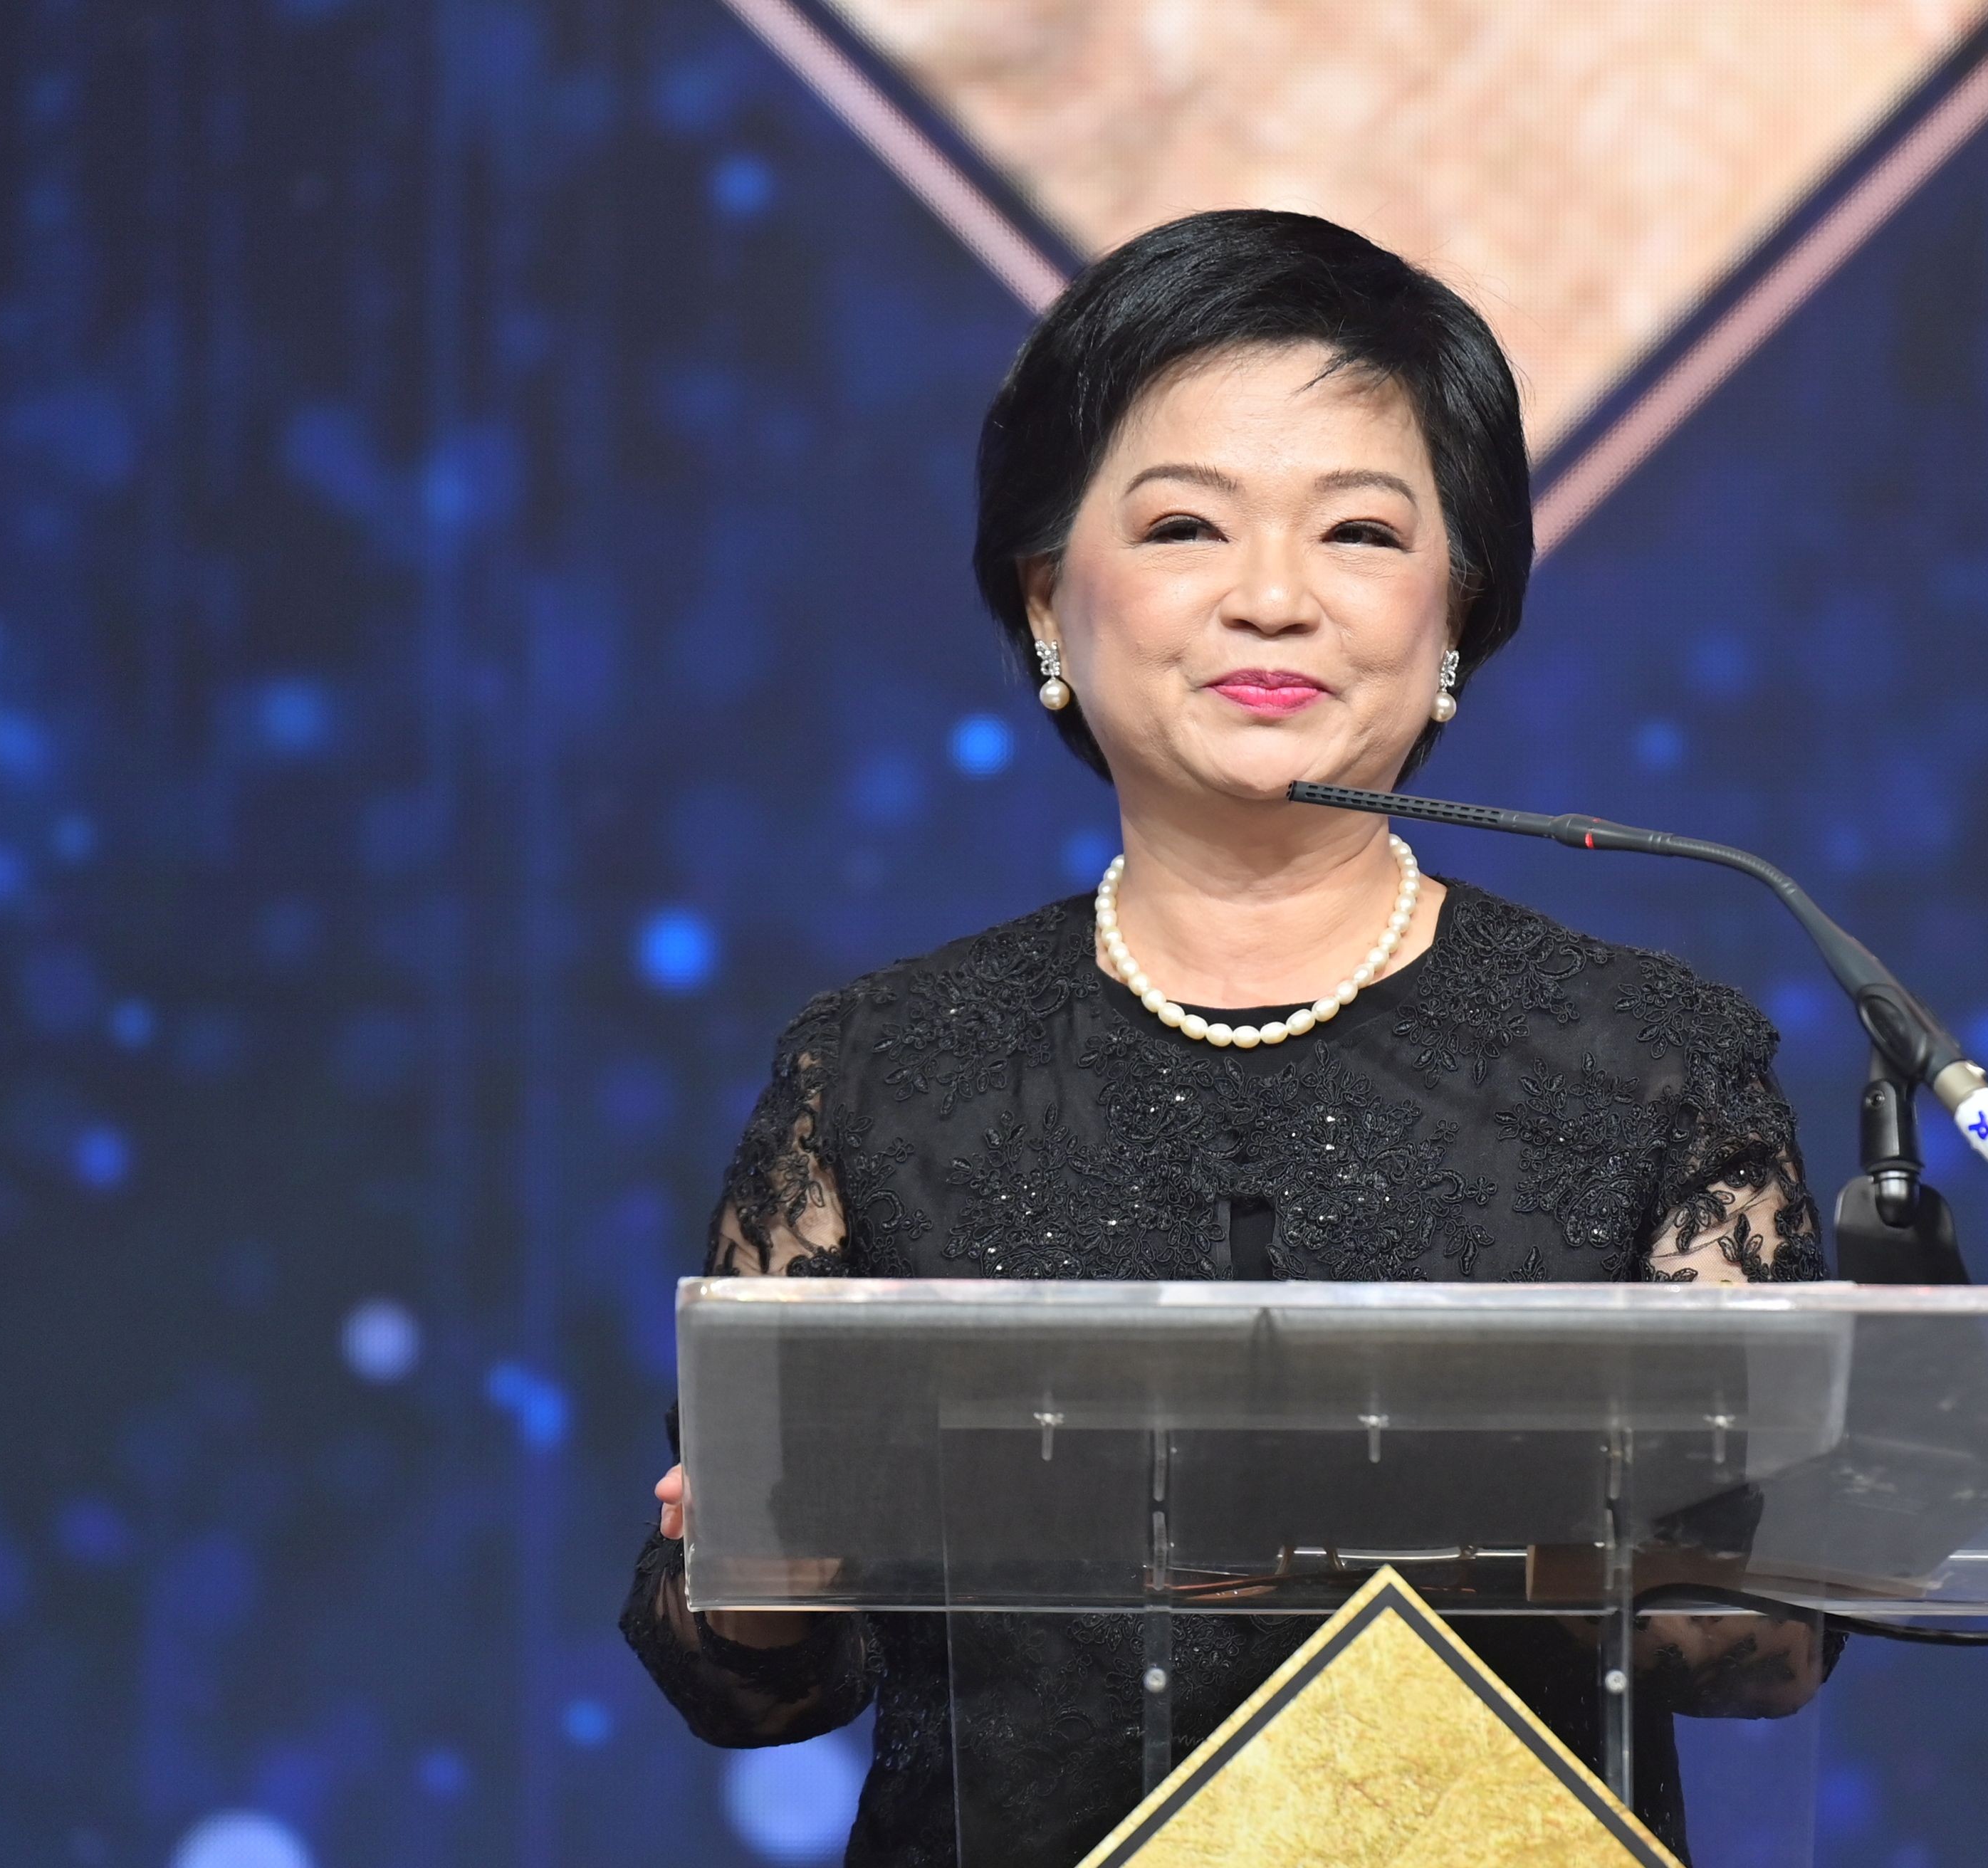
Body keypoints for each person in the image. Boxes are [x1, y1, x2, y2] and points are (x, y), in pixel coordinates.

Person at [622, 208, 1834, 1865]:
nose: (1273, 599)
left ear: (1457, 611)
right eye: (1186, 524)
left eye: (1360, 532)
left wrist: (1576, 1516)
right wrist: (760, 1564)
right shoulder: (882, 1073)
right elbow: (743, 1679)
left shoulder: (1651, 1066)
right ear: (1049, 599)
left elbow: (1762, 1644)